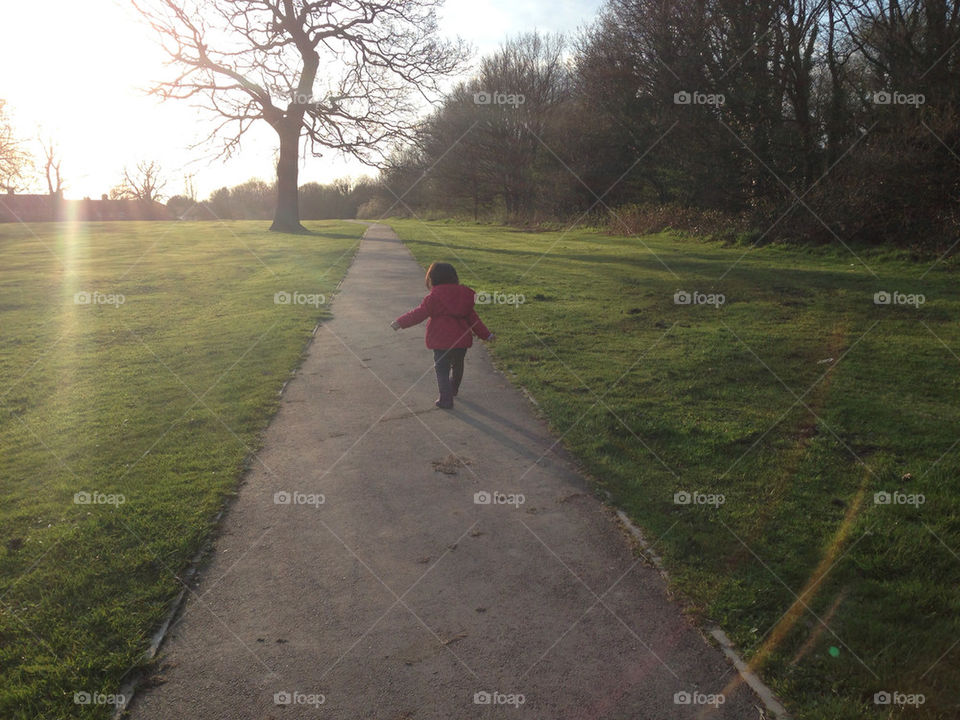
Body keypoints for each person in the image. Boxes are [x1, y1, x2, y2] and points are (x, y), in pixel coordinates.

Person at [391, 262, 494, 409]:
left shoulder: (433, 298)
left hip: (440, 341)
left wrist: (400, 323)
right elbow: (474, 321)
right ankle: (453, 389)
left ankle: (446, 399)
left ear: (432, 279)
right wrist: (487, 335)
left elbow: (418, 314)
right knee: (458, 366)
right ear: (454, 277)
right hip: (461, 341)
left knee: (442, 370)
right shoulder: (464, 296)